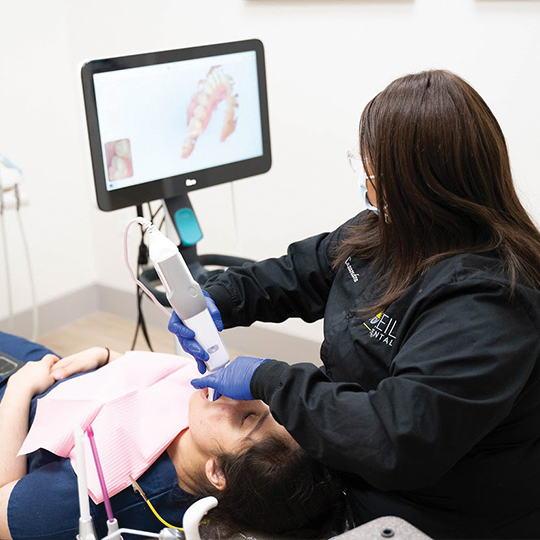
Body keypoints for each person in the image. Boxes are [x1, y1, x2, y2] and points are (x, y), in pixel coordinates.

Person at [169, 70, 540, 539]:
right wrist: (222, 297)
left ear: (416, 185)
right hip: (351, 462)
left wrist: (270, 379)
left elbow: (398, 436)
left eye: (371, 167)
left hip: (432, 511)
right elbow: (301, 271)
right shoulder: (383, 231)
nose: (364, 178)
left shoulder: (490, 303)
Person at [0, 331, 346, 540]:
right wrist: (107, 358)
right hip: (57, 374)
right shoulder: (205, 426)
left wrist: (18, 389)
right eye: (269, 402)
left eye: (248, 417)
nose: (245, 394)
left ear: (216, 472)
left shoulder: (107, 493)